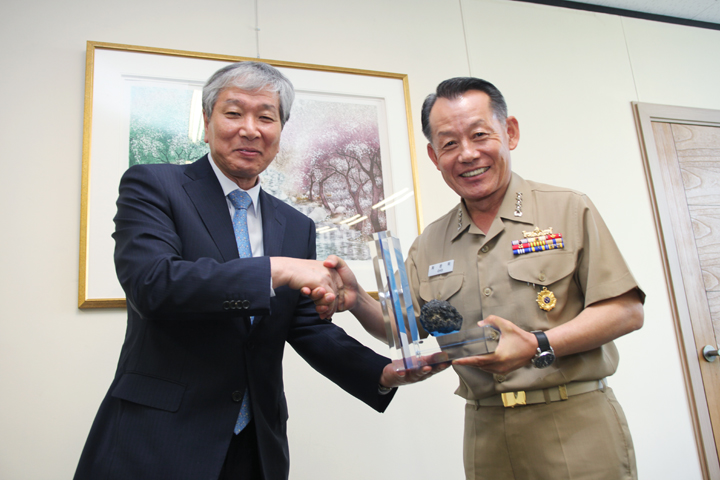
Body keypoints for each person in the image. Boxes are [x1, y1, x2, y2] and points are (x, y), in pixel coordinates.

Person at [73, 62, 443, 480]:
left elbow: (305, 326)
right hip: (158, 439)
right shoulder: (153, 186)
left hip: (255, 445)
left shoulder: (295, 224)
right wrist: (276, 270)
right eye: (233, 113)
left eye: (266, 117)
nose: (250, 129)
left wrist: (379, 373)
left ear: (280, 131)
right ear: (207, 122)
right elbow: (153, 285)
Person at [321, 77, 645, 480]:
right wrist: (355, 300)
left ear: (509, 133)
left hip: (574, 421)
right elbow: (399, 329)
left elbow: (625, 310)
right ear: (434, 155)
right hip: (485, 430)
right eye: (449, 143)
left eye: (479, 135)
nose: (467, 154)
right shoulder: (430, 243)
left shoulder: (567, 209)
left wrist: (537, 344)